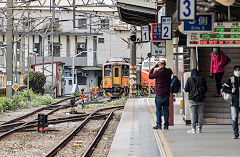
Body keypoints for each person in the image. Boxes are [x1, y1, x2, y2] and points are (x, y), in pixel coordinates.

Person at [149, 58, 172, 130]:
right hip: (166, 94)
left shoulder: (157, 72)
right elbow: (170, 70)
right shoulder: (168, 71)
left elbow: (150, 76)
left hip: (159, 94)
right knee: (166, 110)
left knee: (158, 110)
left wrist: (153, 67)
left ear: (159, 65)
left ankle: (159, 124)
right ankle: (166, 125)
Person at [185, 69, 207, 133]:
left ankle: (193, 128)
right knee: (201, 113)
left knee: (193, 113)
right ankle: (200, 128)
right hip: (201, 98)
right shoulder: (202, 78)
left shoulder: (189, 79)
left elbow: (186, 89)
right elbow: (206, 89)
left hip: (192, 99)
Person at [222, 66, 240, 139]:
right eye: (236, 70)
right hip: (234, 103)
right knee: (234, 118)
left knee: (234, 118)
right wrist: (230, 91)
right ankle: (236, 134)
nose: (237, 72)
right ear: (233, 71)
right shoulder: (231, 80)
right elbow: (224, 89)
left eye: (239, 70)